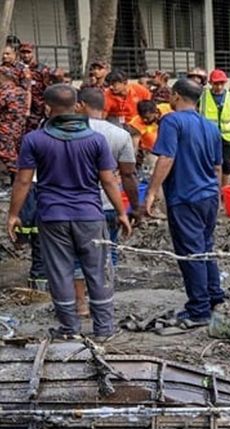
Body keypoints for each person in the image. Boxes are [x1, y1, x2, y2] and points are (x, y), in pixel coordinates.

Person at [5, 84, 131, 339]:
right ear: (76, 105)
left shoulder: (35, 139)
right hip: (90, 215)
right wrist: (121, 212)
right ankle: (104, 329)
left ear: (48, 107)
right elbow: (108, 180)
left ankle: (69, 328)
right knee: (97, 269)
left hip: (52, 216)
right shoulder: (95, 140)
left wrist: (13, 214)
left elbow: (23, 181)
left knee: (60, 270)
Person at [143, 78, 225, 328]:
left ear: (176, 96)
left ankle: (198, 308)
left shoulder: (172, 121)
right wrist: (217, 194)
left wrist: (151, 192)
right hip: (208, 195)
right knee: (206, 247)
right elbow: (218, 166)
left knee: (191, 253)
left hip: (185, 196)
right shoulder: (210, 126)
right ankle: (214, 297)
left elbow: (166, 157)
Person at [77, 87, 141, 313]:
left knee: (79, 255)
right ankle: (104, 300)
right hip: (109, 203)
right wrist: (134, 207)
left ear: (81, 105)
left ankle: (81, 304)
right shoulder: (120, 134)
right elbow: (129, 174)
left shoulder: (69, 132)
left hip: (79, 206)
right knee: (109, 251)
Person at [198, 69, 230, 187]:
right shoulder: (202, 96)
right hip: (207, 137)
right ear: (211, 83)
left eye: (222, 83)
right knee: (209, 164)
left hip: (227, 137)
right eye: (216, 83)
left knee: (227, 165)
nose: (219, 86)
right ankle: (212, 190)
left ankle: (225, 192)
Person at [0, 67, 28, 183]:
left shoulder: (5, 92)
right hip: (18, 129)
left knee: (9, 158)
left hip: (5, 130)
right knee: (14, 156)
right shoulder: (21, 91)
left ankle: (15, 183)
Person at [19, 43, 49, 131]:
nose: (25, 55)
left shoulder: (41, 69)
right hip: (21, 105)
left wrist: (47, 105)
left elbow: (47, 87)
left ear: (33, 53)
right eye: (23, 52)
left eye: (28, 52)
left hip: (38, 107)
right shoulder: (17, 69)